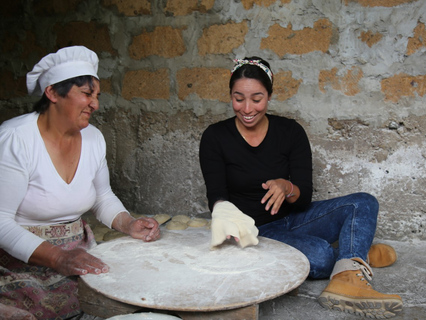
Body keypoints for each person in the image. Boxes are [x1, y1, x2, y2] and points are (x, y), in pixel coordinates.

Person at [199, 57, 403, 318]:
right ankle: (353, 256)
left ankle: (347, 277)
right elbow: (216, 195)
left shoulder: (290, 131)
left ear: (270, 96)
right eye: (239, 98)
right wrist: (223, 212)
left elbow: (304, 196)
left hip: (294, 217)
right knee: (319, 255)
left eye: (257, 98)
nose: (247, 108)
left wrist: (287, 187)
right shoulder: (215, 137)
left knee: (363, 202)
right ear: (230, 96)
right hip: (255, 232)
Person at [0, 46, 161, 319]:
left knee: (136, 295)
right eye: (87, 94)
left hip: (79, 254)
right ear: (52, 93)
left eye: (97, 96)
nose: (95, 104)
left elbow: (102, 197)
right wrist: (59, 258)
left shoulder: (94, 138)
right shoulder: (16, 139)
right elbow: (1, 222)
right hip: (19, 264)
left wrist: (128, 223)